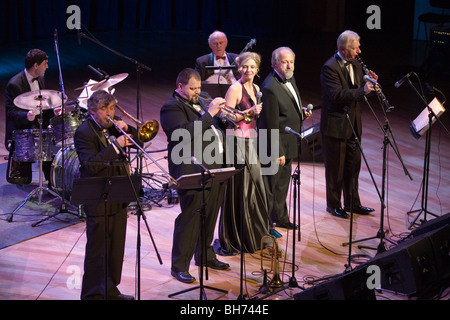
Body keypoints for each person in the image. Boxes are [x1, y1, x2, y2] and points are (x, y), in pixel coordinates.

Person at [160, 68, 230, 284]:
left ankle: (205, 256)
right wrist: (209, 114)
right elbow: (183, 134)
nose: (197, 92)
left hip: (212, 166)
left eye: (199, 88)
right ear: (180, 86)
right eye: (193, 88)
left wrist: (223, 118)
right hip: (190, 169)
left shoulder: (199, 102)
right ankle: (179, 266)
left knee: (210, 215)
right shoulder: (170, 108)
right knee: (190, 218)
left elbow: (211, 128)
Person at [74, 90, 137, 300]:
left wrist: (130, 130)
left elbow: (141, 141)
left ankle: (110, 290)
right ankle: (92, 295)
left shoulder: (111, 126)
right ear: (93, 111)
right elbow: (91, 165)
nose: (110, 113)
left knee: (115, 248)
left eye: (111, 108)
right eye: (105, 109)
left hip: (117, 196)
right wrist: (115, 146)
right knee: (97, 250)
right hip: (97, 199)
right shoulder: (84, 132)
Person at [213, 52, 271, 255]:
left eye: (252, 67)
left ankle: (253, 234)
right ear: (238, 68)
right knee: (243, 190)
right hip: (236, 142)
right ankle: (238, 237)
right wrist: (248, 113)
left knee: (254, 189)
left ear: (257, 69)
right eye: (245, 67)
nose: (248, 70)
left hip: (251, 142)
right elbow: (226, 117)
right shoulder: (235, 88)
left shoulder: (255, 88)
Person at [319, 30, 376, 219]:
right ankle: (333, 205)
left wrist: (369, 81)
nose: (359, 51)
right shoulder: (329, 68)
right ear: (343, 50)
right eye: (355, 48)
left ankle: (353, 203)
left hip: (353, 124)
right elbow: (337, 95)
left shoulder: (357, 64)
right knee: (335, 169)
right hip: (336, 126)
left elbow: (357, 85)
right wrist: (363, 90)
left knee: (353, 166)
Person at [258, 47, 311, 230]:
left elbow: (286, 110)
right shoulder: (269, 88)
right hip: (277, 146)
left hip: (289, 143)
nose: (289, 65)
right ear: (274, 64)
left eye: (291, 61)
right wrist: (276, 151)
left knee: (282, 186)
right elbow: (270, 123)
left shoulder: (290, 78)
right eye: (284, 62)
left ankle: (280, 217)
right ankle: (266, 225)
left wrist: (300, 113)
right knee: (271, 187)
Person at [5, 49, 57, 185]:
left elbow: (44, 104)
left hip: (40, 122)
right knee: (24, 180)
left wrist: (54, 112)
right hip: (23, 126)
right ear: (36, 65)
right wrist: (26, 116)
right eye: (45, 64)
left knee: (53, 135)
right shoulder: (14, 84)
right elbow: (10, 112)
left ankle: (51, 181)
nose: (47, 66)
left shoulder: (41, 78)